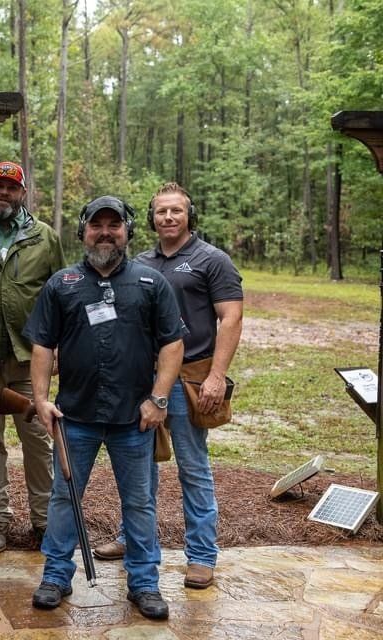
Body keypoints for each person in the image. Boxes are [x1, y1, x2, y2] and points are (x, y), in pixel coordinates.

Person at [23, 196, 184, 620]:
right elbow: (42, 344)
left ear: (128, 232)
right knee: (64, 499)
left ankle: (144, 583)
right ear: (83, 231)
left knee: (140, 503)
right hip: (74, 417)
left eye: (115, 225)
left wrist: (159, 399)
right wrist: (40, 399)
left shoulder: (151, 284)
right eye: (97, 225)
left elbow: (172, 344)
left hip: (135, 419)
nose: (106, 232)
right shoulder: (62, 283)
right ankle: (56, 577)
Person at [93, 182, 243, 590]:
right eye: (161, 212)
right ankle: (133, 538)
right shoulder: (141, 261)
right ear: (151, 218)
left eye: (176, 211)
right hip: (144, 378)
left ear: (189, 215)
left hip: (191, 376)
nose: (168, 218)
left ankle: (201, 556)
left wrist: (216, 376)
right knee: (140, 465)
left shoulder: (212, 260)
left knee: (192, 466)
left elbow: (231, 318)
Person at [0, 160, 64, 552]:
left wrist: (61, 350)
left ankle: (44, 520)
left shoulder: (44, 237)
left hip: (29, 357)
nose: (3, 193)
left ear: (23, 193)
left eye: (11, 187)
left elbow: (60, 294)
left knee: (38, 440)